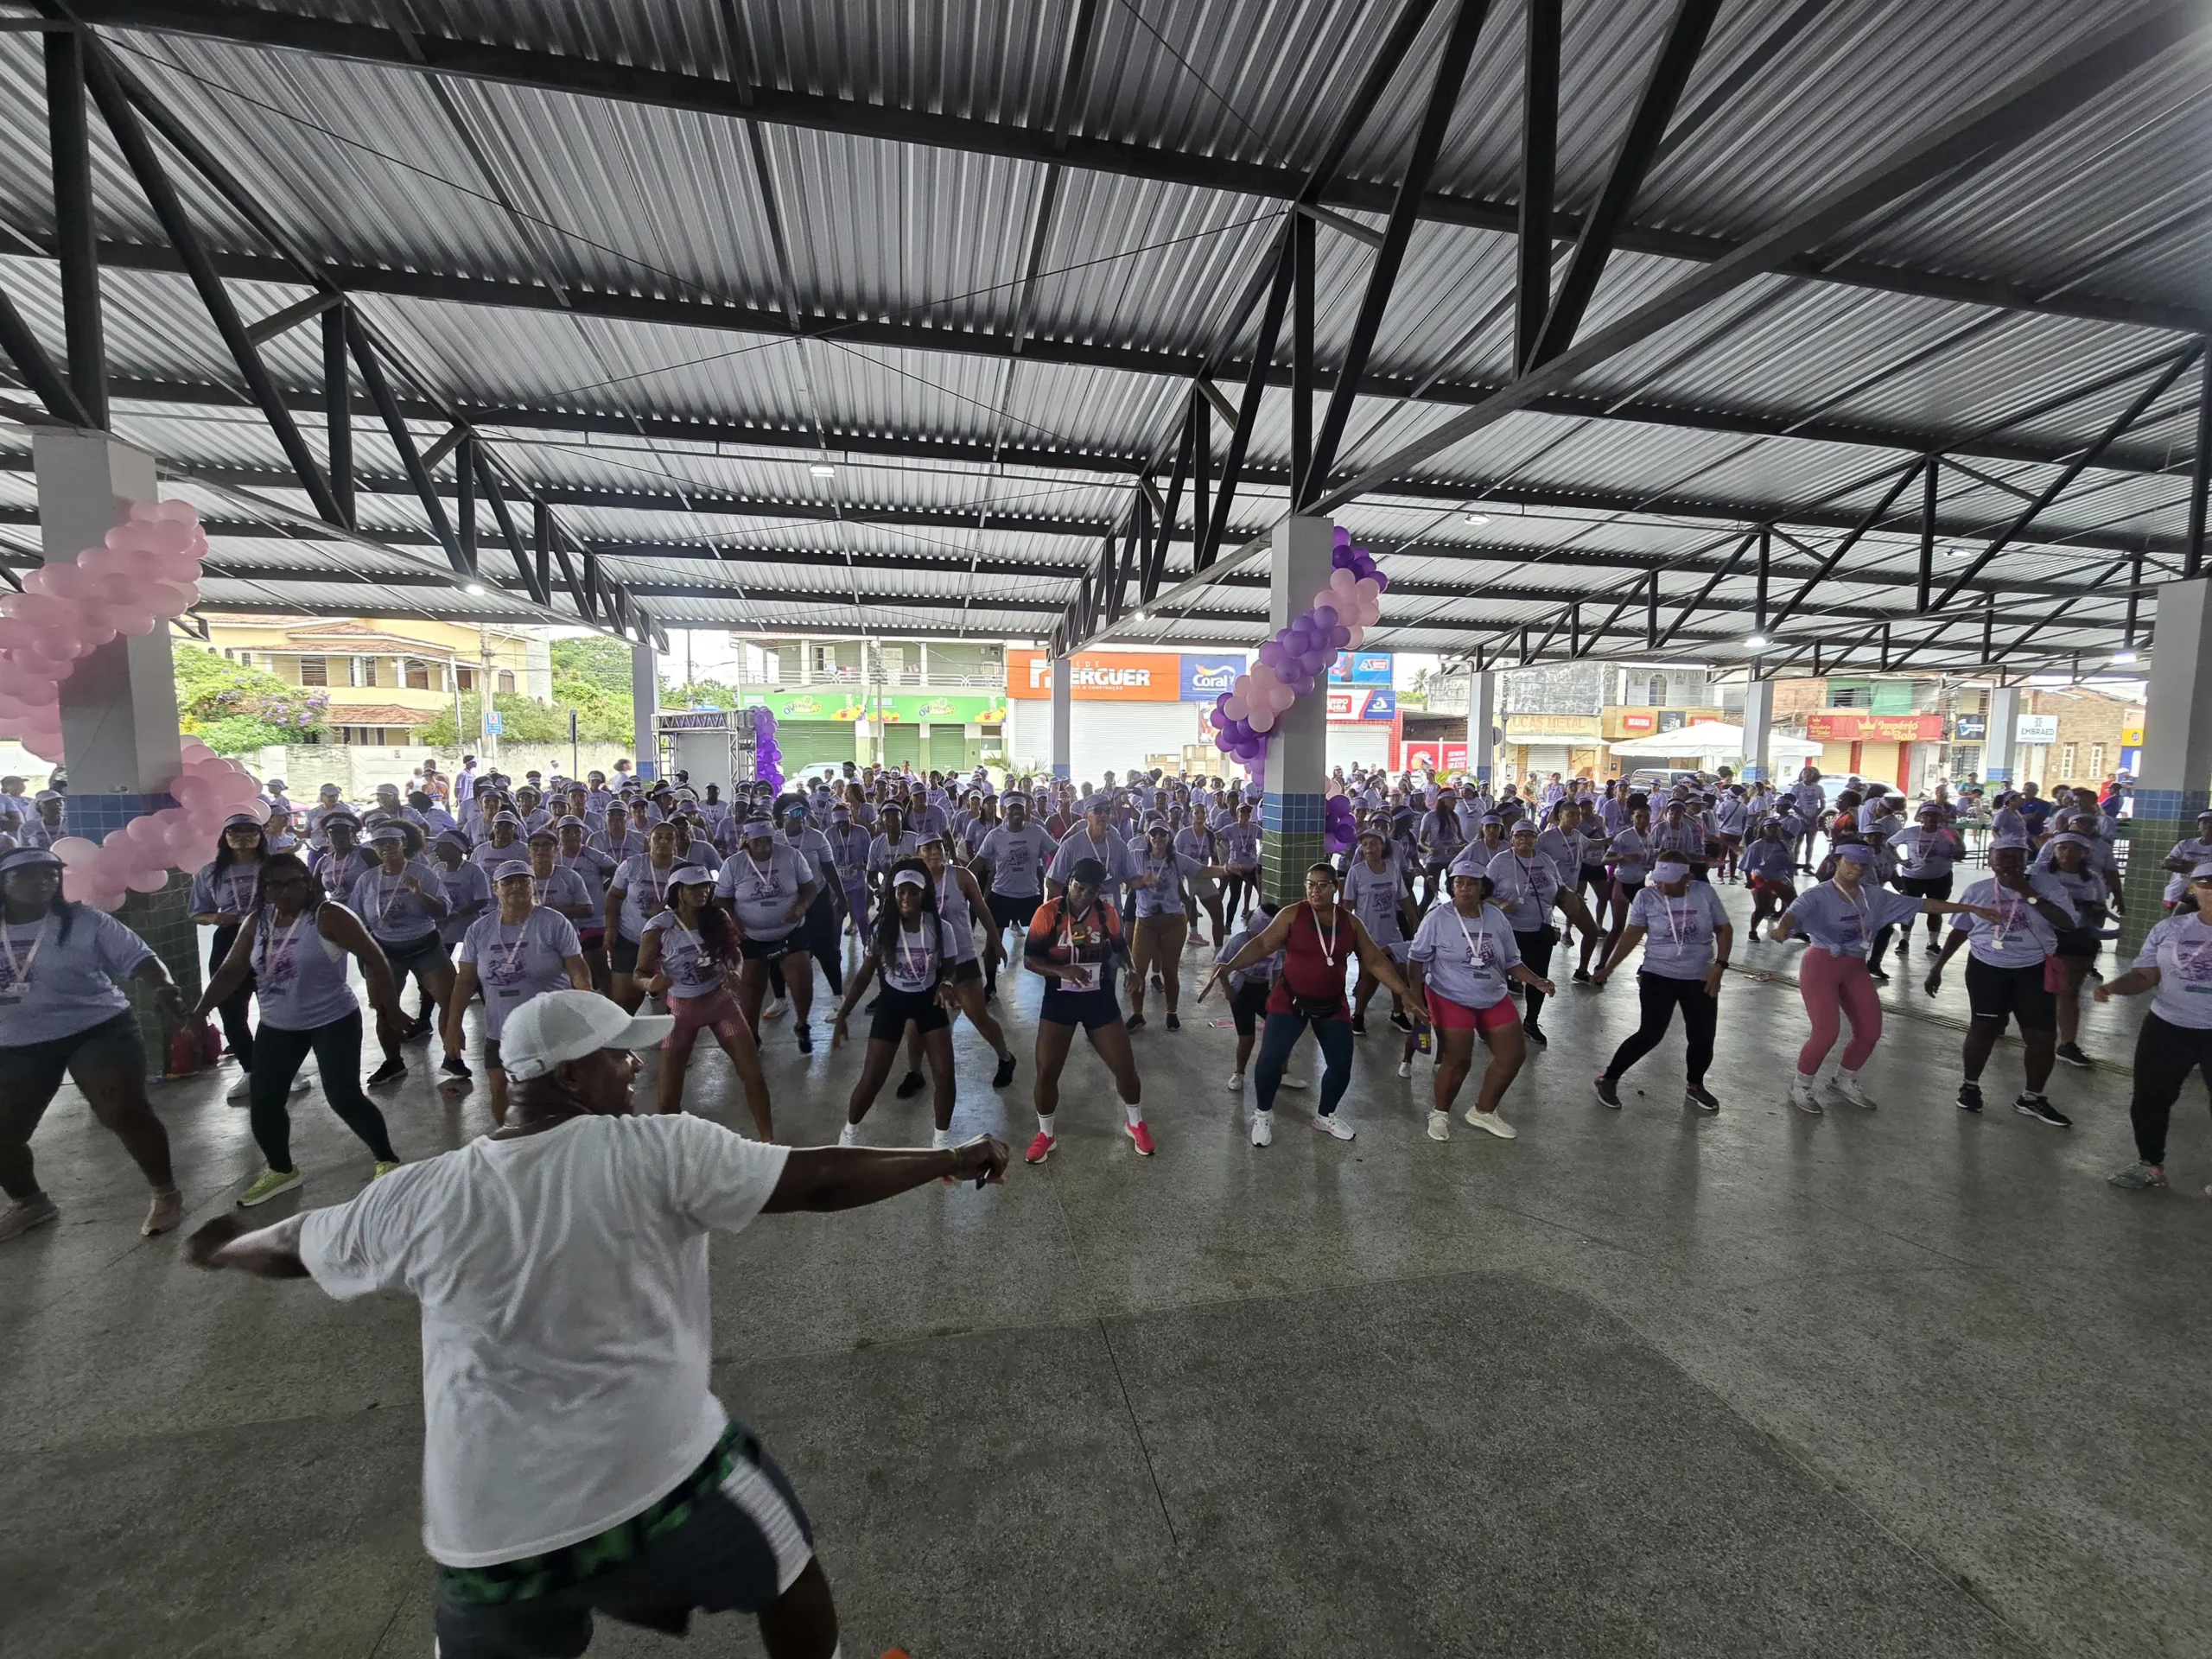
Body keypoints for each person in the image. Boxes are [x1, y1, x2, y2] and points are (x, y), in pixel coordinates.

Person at [182, 988, 1010, 1659]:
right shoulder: (658, 1150)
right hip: (660, 1483)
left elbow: (297, 1244)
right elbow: (818, 1180)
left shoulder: (417, 1194)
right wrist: (949, 1156)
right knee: (789, 1568)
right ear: (571, 1080)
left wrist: (225, 1249)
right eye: (618, 1058)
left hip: (486, 1529)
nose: (634, 1070)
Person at [198, 852, 409, 1206]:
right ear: (265, 890)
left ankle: (387, 1160)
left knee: (343, 1096)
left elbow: (374, 958)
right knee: (264, 1101)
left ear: (308, 883)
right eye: (276, 885)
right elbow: (232, 969)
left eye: (295, 882)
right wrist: (199, 1012)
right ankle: (281, 1171)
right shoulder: (257, 922)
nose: (286, 891)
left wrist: (391, 1009)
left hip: (333, 1019)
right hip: (278, 1025)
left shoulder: (329, 916)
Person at [0, 848, 189, 1240]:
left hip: (97, 1029)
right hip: (18, 1041)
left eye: (50, 874)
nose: (42, 882)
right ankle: (30, 1201)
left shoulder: (84, 920)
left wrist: (165, 988)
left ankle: (166, 1193)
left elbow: (141, 957)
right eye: (27, 875)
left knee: (122, 1111)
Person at [1770, 844, 1997, 1114]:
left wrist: (1972, 908)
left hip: (1854, 966)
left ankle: (1845, 1079)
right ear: (1836, 861)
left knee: (1870, 1030)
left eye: (1862, 865)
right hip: (1821, 965)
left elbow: (1927, 904)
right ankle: (1801, 1085)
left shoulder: (1876, 896)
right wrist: (1783, 929)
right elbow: (1792, 915)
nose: (1856, 869)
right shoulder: (1817, 895)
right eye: (1850, 862)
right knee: (1826, 1031)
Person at [1208, 862, 1418, 1147]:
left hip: (1332, 1004)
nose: (1315, 890)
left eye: (1322, 884)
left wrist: (1403, 991)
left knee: (1341, 1064)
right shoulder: (1292, 915)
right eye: (1310, 884)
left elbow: (1374, 960)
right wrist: (1229, 964)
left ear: (1335, 887)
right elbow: (1261, 945)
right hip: (1290, 1000)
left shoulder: (1351, 923)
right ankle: (1262, 1114)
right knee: (1270, 1059)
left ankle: (1325, 1116)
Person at [1923, 837, 2078, 1126]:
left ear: (2026, 860)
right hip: (1987, 967)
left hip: (2033, 968)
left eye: (2016, 857)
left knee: (2042, 1037)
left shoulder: (2048, 887)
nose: (2009, 862)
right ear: (1990, 859)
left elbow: (2067, 924)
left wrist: (2027, 892)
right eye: (2002, 856)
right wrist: (1938, 968)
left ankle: (2031, 1098)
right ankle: (1970, 1086)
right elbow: (1960, 931)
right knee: (1984, 1029)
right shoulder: (1978, 891)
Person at [1403, 870, 1551, 1141]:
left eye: (1472, 883)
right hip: (1449, 994)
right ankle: (1440, 1113)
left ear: (1483, 888)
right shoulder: (1437, 918)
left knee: (1513, 1056)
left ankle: (1483, 1111)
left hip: (1492, 994)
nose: (1465, 887)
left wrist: (1536, 980)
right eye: (1459, 882)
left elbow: (1511, 962)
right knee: (1458, 1060)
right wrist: (1414, 996)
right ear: (1451, 886)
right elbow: (1416, 959)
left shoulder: (1496, 918)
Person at [445, 860, 591, 1125]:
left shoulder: (554, 923)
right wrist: (453, 1025)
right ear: (496, 889)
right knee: (499, 1088)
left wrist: (588, 1014)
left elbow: (578, 971)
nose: (516, 886)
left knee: (553, 1092)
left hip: (548, 1026)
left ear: (534, 885)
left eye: (524, 880)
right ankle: (508, 1145)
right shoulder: (479, 930)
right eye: (508, 882)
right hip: (500, 1027)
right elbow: (465, 980)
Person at [1022, 858, 1148, 1161]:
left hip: (1098, 997)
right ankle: (1046, 1134)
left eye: (1091, 891)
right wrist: (1061, 970)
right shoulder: (1048, 913)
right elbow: (1029, 959)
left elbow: (1120, 947)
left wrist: (1131, 970)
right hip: (1060, 999)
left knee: (1125, 1068)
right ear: (1069, 882)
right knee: (1047, 1071)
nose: (1084, 895)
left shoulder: (1106, 913)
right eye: (1079, 888)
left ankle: (1135, 1123)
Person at [831, 862, 963, 1148]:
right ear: (892, 895)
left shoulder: (940, 928)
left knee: (945, 1075)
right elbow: (866, 974)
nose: (906, 898)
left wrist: (947, 984)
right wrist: (844, 1013)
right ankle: (849, 1134)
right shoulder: (882, 928)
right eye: (900, 892)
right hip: (893, 1000)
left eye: (913, 893)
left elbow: (951, 967)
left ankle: (941, 1143)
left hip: (929, 999)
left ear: (923, 895)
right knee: (873, 1078)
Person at [637, 866, 774, 1140]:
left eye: (706, 887)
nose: (703, 892)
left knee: (754, 1077)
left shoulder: (718, 917)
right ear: (678, 891)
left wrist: (736, 971)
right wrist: (650, 985)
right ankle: (668, 1150)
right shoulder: (659, 927)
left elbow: (735, 953)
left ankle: (769, 1140)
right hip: (680, 1011)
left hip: (721, 1001)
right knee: (668, 1097)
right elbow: (638, 974)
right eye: (694, 887)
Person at [1589, 855, 1732, 1112]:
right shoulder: (1647, 897)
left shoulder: (1704, 893)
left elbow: (1724, 929)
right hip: (1658, 974)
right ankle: (1608, 1079)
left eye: (1669, 882)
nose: (1662, 886)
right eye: (1659, 880)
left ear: (1687, 878)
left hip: (1699, 975)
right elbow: (1632, 934)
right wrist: (1608, 968)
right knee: (1650, 1034)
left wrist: (1719, 966)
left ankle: (1695, 1085)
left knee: (1703, 1036)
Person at [2102, 864, 2212, 1191]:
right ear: (2192, 889)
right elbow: (2146, 976)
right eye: (2206, 882)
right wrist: (2112, 987)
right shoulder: (2170, 929)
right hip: (2168, 1026)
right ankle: (2150, 1165)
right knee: (2150, 1099)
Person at [189, 810, 293, 1106]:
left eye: (251, 831)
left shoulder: (275, 867)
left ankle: (284, 1068)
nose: (244, 837)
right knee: (232, 1010)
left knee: (277, 1006)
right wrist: (214, 917)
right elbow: (196, 912)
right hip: (229, 939)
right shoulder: (210, 872)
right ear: (225, 838)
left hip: (271, 937)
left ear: (261, 836)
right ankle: (252, 1070)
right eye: (236, 832)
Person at [351, 824, 454, 1082]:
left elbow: (443, 911)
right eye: (380, 844)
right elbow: (356, 919)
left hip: (424, 945)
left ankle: (453, 1058)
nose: (386, 848)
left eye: (392, 842)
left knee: (449, 1003)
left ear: (403, 843)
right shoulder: (367, 880)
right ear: (374, 848)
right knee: (383, 1009)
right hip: (385, 949)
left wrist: (419, 893)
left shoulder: (423, 873)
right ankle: (393, 1062)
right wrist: (364, 953)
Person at [718, 816, 820, 1055]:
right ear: (747, 842)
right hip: (750, 936)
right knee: (751, 987)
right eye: (758, 842)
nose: (764, 846)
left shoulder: (791, 856)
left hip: (789, 931)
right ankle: (751, 1036)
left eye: (768, 841)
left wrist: (801, 907)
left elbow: (810, 887)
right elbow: (721, 898)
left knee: (802, 979)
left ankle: (803, 1025)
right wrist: (733, 921)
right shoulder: (734, 864)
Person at [1123, 821, 1224, 1032]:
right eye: (1154, 834)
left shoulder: (1176, 859)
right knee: (1137, 970)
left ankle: (1172, 1013)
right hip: (1146, 922)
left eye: (1163, 834)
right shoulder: (1136, 856)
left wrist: (1226, 869)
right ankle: (1137, 1014)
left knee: (1170, 971)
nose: (1158, 838)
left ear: (1169, 837)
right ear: (1148, 837)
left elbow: (1202, 871)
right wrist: (1141, 881)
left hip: (1173, 922)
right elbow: (1125, 878)